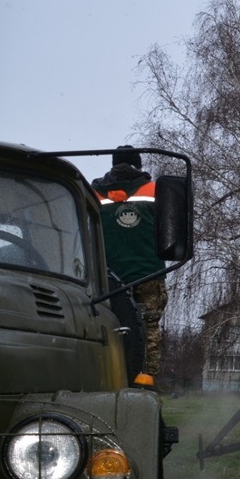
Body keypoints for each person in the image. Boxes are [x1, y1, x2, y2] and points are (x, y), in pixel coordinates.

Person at [92, 145, 168, 380]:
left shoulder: (92, 193)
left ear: (113, 164)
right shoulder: (155, 191)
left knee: (101, 328)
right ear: (139, 164)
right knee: (149, 331)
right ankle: (146, 383)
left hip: (106, 280)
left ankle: (103, 377)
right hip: (147, 276)